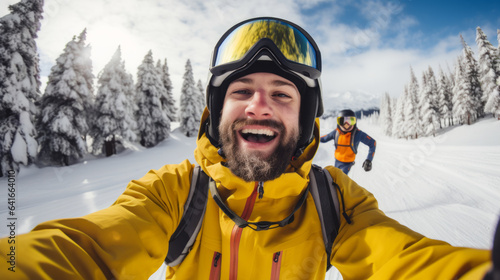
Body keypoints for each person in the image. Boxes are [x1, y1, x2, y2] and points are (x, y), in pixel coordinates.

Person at [0, 17, 498, 280]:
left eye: (282, 95)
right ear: (216, 112)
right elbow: (82, 249)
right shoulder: (174, 193)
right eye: (241, 91)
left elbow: (402, 259)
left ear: (303, 120)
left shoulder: (336, 202)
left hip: (344, 169)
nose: (259, 105)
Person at [320, 109, 376, 175]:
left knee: (340, 180)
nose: (346, 125)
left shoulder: (357, 134)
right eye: (342, 121)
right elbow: (323, 139)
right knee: (333, 178)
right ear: (338, 123)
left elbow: (372, 143)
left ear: (355, 122)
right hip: (337, 161)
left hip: (348, 163)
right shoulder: (336, 133)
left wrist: (369, 160)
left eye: (350, 121)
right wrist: (312, 137)